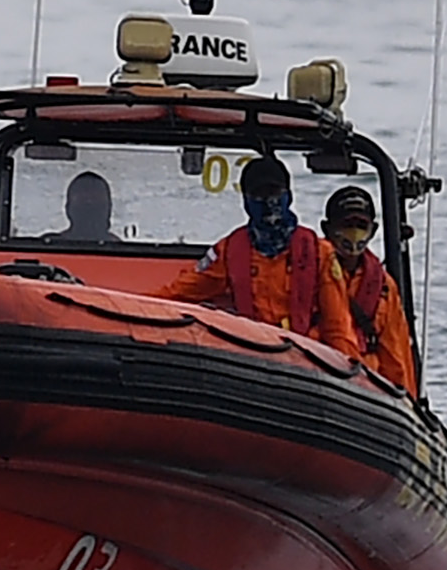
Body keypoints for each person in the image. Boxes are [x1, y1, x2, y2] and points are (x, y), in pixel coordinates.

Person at [167, 149, 365, 357]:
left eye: (274, 193)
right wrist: (143, 307)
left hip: (303, 356)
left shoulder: (319, 253)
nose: (269, 202)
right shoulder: (228, 251)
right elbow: (181, 292)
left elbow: (337, 326)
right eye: (259, 195)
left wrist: (349, 365)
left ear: (289, 196)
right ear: (246, 201)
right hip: (251, 355)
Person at [318, 184, 419, 392]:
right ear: (327, 228)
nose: (354, 232)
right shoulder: (310, 268)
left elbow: (395, 352)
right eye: (346, 224)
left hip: (368, 387)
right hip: (320, 376)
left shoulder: (384, 287)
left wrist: (405, 397)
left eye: (361, 225)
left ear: (373, 230)